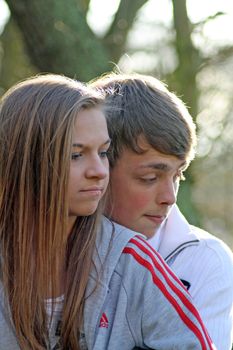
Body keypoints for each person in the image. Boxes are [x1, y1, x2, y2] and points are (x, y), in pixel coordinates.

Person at [0, 74, 215, 350]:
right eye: (76, 155)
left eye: (103, 153)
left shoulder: (132, 262)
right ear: (25, 160)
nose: (100, 171)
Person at [91, 72, 233, 350]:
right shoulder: (48, 249)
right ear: (100, 168)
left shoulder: (204, 262)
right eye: (150, 178)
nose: (169, 198)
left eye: (177, 176)